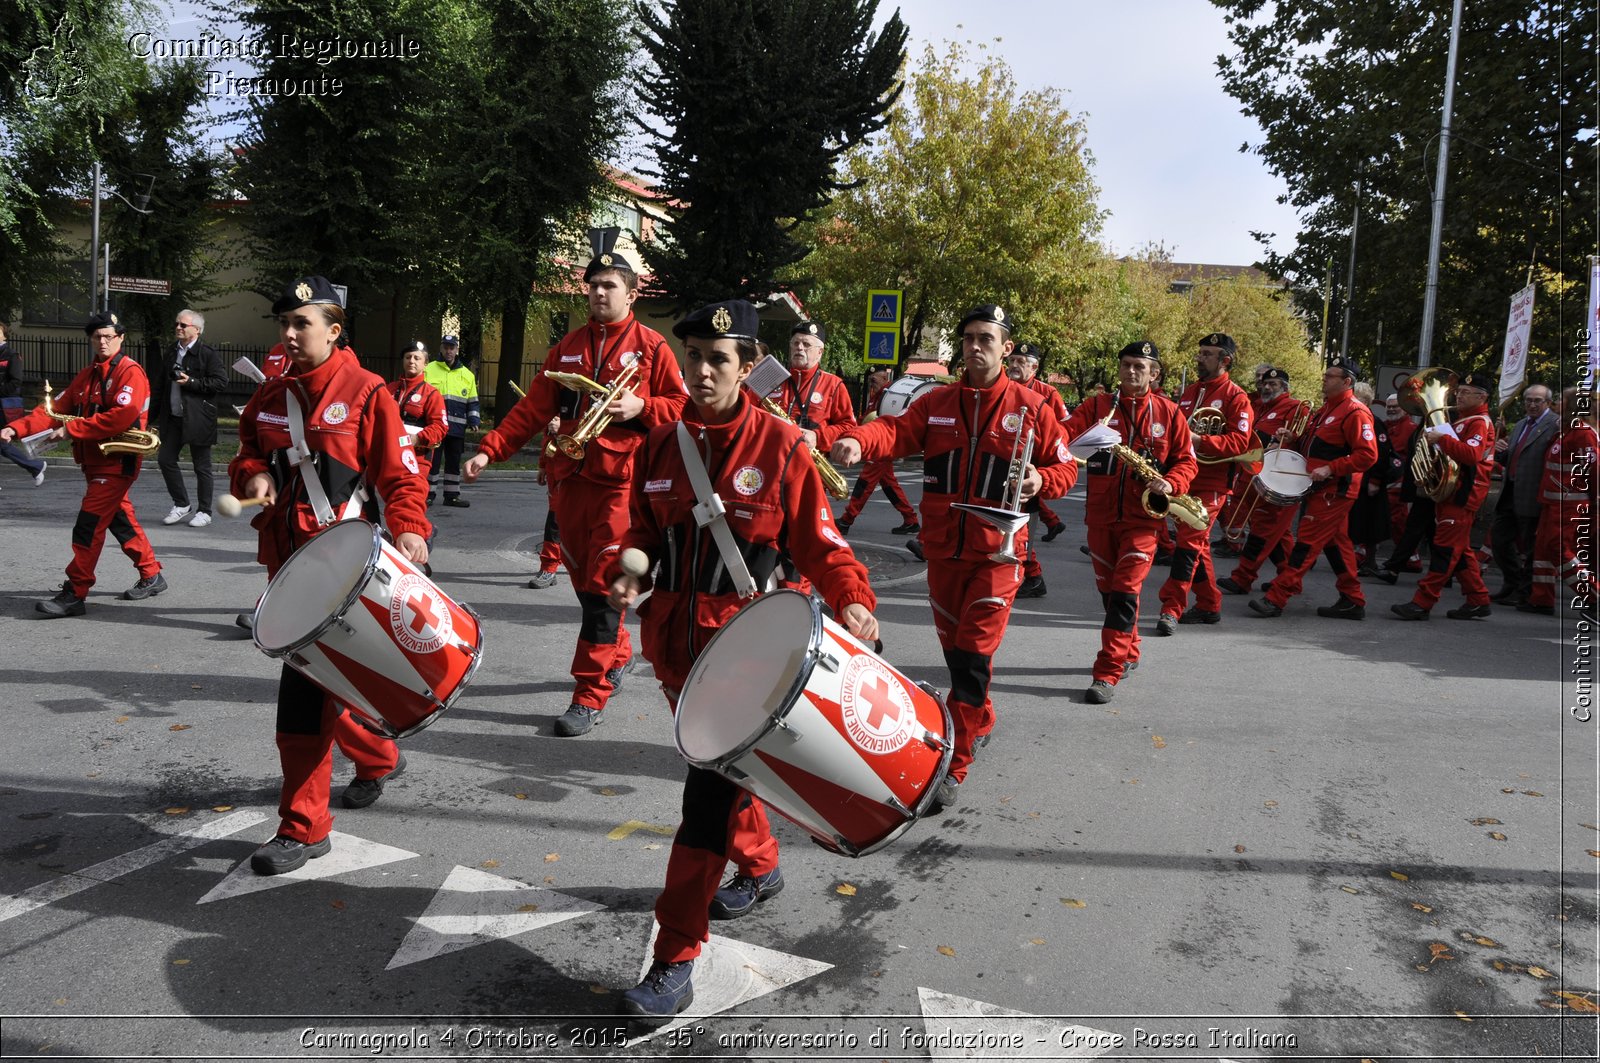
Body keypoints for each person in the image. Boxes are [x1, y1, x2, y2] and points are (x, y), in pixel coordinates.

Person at [610, 299, 879, 1026]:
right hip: (678, 649)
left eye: (717, 358)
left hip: (751, 656)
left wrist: (852, 600)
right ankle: (760, 864)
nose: (702, 370)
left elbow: (823, 545)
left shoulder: (783, 447)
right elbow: (639, 534)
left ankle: (674, 960)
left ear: (746, 364)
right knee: (730, 775)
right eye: (692, 355)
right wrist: (627, 577)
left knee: (703, 803)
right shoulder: (660, 448)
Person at [833, 304, 1077, 800]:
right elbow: (895, 431)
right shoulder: (937, 401)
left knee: (971, 657)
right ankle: (980, 717)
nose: (975, 346)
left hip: (999, 556)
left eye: (986, 338)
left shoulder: (1033, 407)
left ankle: (954, 764)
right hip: (943, 552)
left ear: (1006, 347)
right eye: (968, 338)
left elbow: (1066, 467)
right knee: (954, 653)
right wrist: (859, 439)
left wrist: (1041, 479)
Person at [229, 276, 429, 874]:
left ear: (334, 330)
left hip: (346, 569)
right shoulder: (270, 396)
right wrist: (251, 480)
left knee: (305, 695)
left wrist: (412, 525)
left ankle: (303, 826)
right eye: (283, 324)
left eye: (302, 324)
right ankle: (376, 757)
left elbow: (400, 473)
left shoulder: (367, 392)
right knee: (323, 686)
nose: (289, 335)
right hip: (287, 567)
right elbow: (245, 456)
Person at [464, 247, 686, 736]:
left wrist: (641, 406)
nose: (599, 293)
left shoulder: (652, 347)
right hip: (569, 481)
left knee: (603, 590)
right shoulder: (569, 344)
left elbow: (681, 408)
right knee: (588, 582)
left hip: (620, 485)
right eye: (594, 285)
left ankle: (589, 694)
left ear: (632, 293)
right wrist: (491, 449)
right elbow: (535, 406)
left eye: (610, 285)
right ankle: (618, 656)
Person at [2, 311, 166, 617]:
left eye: (108, 336)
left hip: (117, 463)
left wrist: (72, 429)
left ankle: (74, 593)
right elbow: (54, 409)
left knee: (88, 526)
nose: (102, 342)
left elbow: (122, 414)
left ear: (120, 338)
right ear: (91, 339)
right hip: (95, 463)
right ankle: (152, 573)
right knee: (119, 519)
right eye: (96, 337)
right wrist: (16, 428)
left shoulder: (130, 372)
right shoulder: (89, 373)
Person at [1060, 341, 1196, 702]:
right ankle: (1129, 649)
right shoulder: (1097, 406)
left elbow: (1187, 461)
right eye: (1126, 365)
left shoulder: (1168, 412)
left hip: (1143, 520)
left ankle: (1106, 671)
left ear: (1154, 373)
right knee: (1108, 591)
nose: (1131, 371)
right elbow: (1064, 435)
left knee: (1124, 593)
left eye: (1140, 366)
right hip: (1101, 516)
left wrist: (1171, 481)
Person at [1246, 360, 1378, 620]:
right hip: (1320, 488)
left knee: (1305, 543)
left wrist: (1331, 469)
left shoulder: (1355, 412)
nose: (1324, 379)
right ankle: (1352, 599)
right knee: (1335, 544)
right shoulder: (1327, 408)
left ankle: (1277, 597)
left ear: (1346, 381)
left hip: (1334, 490)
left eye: (1330, 376)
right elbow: (1317, 445)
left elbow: (1368, 455)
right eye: (1325, 375)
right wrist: (1295, 439)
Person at [1155, 333, 1254, 632]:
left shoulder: (1237, 397)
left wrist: (1199, 439)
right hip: (1184, 478)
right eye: (1200, 353)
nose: (1199, 358)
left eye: (1207, 354)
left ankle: (1171, 608)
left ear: (1225, 360)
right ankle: (1210, 604)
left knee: (1187, 545)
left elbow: (1241, 442)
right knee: (1197, 546)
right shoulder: (1190, 392)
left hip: (1212, 482)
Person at [1390, 372, 1497, 620]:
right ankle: (1478, 599)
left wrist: (1442, 438)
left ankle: (1422, 602)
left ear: (1482, 397)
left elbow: (1470, 455)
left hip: (1464, 494)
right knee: (1460, 550)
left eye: (1465, 392)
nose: (1458, 395)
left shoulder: (1480, 422)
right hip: (1452, 492)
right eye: (1458, 391)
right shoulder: (1462, 420)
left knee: (1445, 550)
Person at [1216, 368, 1308, 595]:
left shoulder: (1296, 407)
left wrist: (1286, 442)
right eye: (1265, 383)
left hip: (1277, 479)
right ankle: (1290, 579)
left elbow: (1300, 443)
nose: (1267, 387)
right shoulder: (1258, 407)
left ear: (1285, 388)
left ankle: (1243, 578)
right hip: (1254, 478)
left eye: (1273, 384)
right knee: (1279, 533)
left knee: (1263, 532)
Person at [1523, 386, 1598, 615]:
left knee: (1560, 551)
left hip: (1569, 506)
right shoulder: (1564, 431)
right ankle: (1541, 599)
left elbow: (1594, 469)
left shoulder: (1582, 433)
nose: (1557, 403)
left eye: (1561, 400)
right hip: (1552, 504)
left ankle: (1592, 595)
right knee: (1543, 552)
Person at [152, 309, 228, 528]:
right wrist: (151, 417)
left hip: (198, 418)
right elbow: (159, 385)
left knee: (201, 466)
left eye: (183, 325)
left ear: (197, 329)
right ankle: (181, 504)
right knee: (165, 459)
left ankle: (205, 511)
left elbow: (221, 382)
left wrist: (192, 382)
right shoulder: (171, 352)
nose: (178, 328)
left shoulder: (207, 354)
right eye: (177, 324)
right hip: (173, 417)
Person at [1006, 342, 1069, 599]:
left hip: (1033, 467)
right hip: (1005, 463)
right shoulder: (1004, 389)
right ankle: (1029, 575)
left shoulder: (1048, 392)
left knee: (1021, 525)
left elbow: (1066, 428)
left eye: (1022, 361)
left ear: (1035, 366)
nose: (1014, 365)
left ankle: (1031, 575)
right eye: (1012, 360)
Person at [1489, 384, 1556, 605]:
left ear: (1548, 403)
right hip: (1510, 491)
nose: (1532, 404)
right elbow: (1514, 457)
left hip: (1532, 495)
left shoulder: (1554, 425)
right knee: (1499, 540)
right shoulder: (1520, 425)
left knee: (1531, 547)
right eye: (1529, 400)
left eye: (1538, 400)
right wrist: (1502, 453)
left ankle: (1525, 592)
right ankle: (1513, 582)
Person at [836, 367, 919, 536]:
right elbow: (866, 417)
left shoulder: (888, 396)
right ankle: (911, 520)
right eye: (871, 378)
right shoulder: (877, 395)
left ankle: (846, 519)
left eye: (876, 378)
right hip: (876, 446)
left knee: (864, 483)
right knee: (889, 485)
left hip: (881, 446)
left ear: (885, 377)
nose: (872, 381)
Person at [768, 320, 858, 456]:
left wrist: (818, 437)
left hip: (810, 464)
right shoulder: (772, 377)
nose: (799, 348)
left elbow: (849, 427)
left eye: (806, 344)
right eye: (795, 343)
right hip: (771, 458)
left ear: (820, 352)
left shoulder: (833, 384)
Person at [1346, 382, 1397, 576]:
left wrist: (1375, 480)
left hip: (1369, 481)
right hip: (1357, 478)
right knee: (1359, 520)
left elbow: (1382, 452)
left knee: (1370, 522)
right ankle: (1358, 559)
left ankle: (1369, 561)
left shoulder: (1374, 422)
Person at [424, 334, 479, 507]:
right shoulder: (428, 369)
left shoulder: (467, 375)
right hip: (435, 426)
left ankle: (452, 495)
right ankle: (427, 495)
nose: (448, 351)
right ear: (441, 348)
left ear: (456, 349)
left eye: (452, 347)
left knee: (453, 462)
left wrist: (474, 420)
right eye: (446, 347)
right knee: (432, 462)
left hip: (457, 427)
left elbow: (472, 400)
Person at [389, 341, 449, 489]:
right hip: (390, 456)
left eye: (417, 358)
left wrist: (417, 438)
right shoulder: (389, 389)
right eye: (408, 357)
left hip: (417, 459)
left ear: (426, 364)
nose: (411, 361)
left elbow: (440, 427)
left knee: (409, 501)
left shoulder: (431, 394)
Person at [0, 321, 48, 484]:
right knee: (2, 445)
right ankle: (35, 466)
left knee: (3, 444)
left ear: (4, 334)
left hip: (4, 406)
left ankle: (35, 466)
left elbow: (16, 382)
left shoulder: (11, 355)